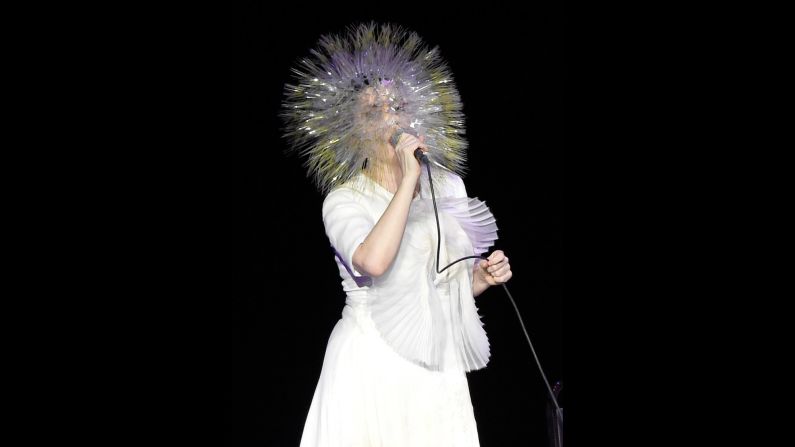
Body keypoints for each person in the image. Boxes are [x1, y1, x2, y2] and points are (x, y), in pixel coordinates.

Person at [281, 22, 512, 447]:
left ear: (415, 114)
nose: (390, 117)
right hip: (371, 364)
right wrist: (408, 180)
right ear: (356, 132)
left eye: (399, 105)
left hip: (434, 364)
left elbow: (439, 285)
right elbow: (373, 262)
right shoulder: (344, 200)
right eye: (373, 112)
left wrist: (478, 278)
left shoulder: (448, 186)